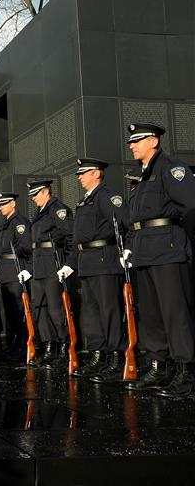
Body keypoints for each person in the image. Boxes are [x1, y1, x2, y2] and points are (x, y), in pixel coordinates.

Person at [122, 123, 195, 397]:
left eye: (137, 141)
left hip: (167, 248)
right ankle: (158, 367)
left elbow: (191, 207)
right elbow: (136, 220)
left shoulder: (170, 168)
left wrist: (182, 241)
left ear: (153, 141)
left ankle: (186, 372)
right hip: (144, 250)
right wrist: (130, 247)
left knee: (175, 312)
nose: (131, 145)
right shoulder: (142, 177)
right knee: (152, 314)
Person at [66, 158, 130, 382]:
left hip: (105, 260)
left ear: (97, 174)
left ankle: (115, 358)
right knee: (91, 313)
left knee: (109, 310)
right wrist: (70, 264)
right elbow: (78, 239)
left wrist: (127, 251)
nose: (80, 177)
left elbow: (125, 224)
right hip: (87, 261)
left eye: (84, 173)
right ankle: (97, 355)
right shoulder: (84, 202)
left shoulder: (107, 196)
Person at [26, 179, 74, 371]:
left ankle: (64, 347)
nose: (33, 198)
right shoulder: (39, 212)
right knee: (40, 309)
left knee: (56, 309)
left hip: (53, 263)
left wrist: (69, 263)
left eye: (36, 194)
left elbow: (70, 236)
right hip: (39, 264)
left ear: (46, 192)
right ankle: (49, 346)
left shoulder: (58, 209)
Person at [0, 192, 32, 359]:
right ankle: (12, 343)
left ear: (13, 203)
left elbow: (27, 248)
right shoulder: (6, 224)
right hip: (6, 271)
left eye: (4, 204)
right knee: (9, 311)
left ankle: (22, 345)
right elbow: (2, 253)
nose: (0, 207)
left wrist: (27, 268)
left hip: (16, 270)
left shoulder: (19, 223)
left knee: (18, 310)